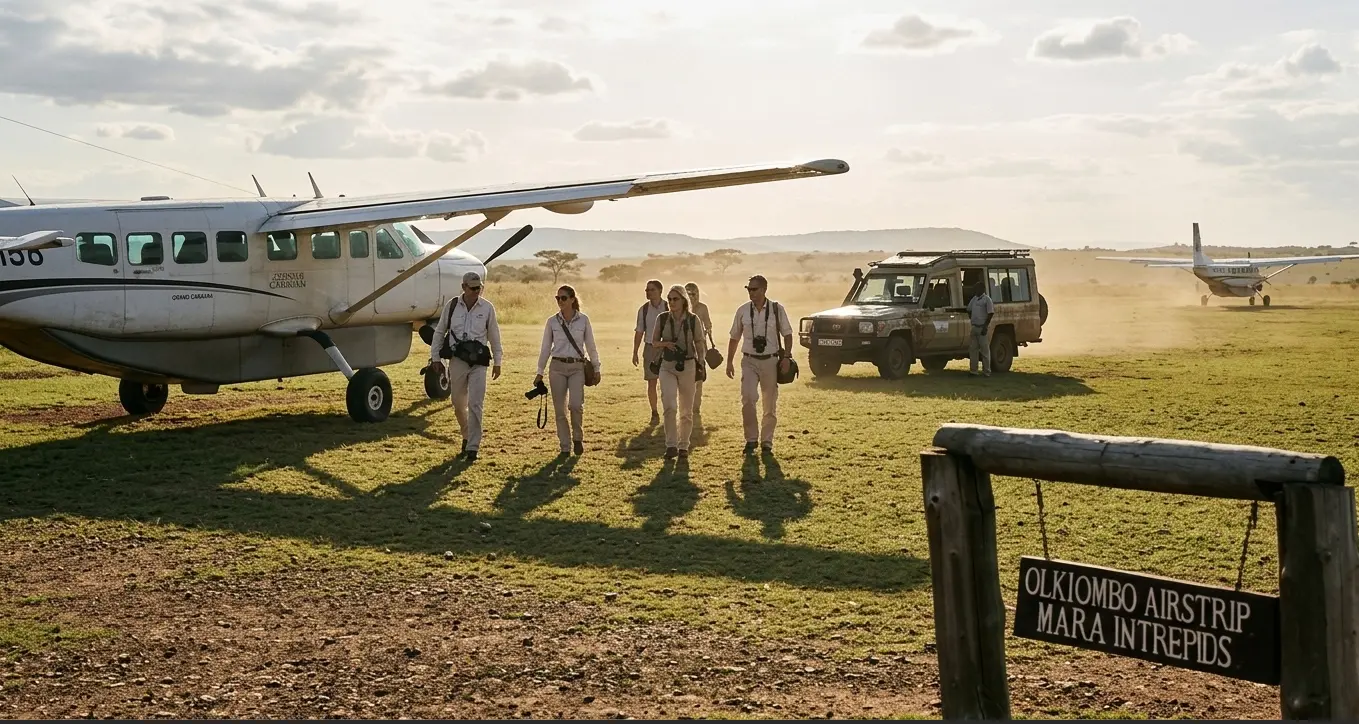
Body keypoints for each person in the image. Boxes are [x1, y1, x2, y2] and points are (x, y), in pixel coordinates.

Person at [429, 271, 502, 462]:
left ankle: (472, 447)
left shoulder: (487, 308)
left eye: (479, 288)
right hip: (457, 360)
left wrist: (498, 361)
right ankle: (466, 434)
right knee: (458, 403)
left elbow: (494, 335)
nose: (477, 291)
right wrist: (435, 357)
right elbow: (439, 332)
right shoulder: (452, 306)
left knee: (476, 403)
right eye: (473, 288)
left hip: (479, 362)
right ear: (464, 287)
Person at [726, 274, 793, 455]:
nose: (751, 293)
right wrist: (729, 361)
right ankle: (751, 439)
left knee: (769, 402)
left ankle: (767, 441)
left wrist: (786, 357)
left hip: (771, 360)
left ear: (764, 290)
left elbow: (787, 334)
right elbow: (734, 337)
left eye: (754, 289)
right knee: (748, 398)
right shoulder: (742, 310)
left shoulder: (777, 309)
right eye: (748, 289)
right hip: (748, 360)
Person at [535, 285, 600, 456]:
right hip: (557, 366)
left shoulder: (583, 320)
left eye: (563, 298)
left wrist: (596, 367)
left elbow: (591, 345)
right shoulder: (552, 321)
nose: (560, 302)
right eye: (557, 298)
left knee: (575, 405)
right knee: (559, 410)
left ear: (572, 299)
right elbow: (545, 348)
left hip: (577, 366)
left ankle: (577, 437)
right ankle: (565, 446)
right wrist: (539, 371)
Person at [652, 284, 706, 459]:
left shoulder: (693, 319)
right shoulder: (662, 318)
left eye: (675, 299)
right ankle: (671, 445)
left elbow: (699, 342)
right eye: (669, 299)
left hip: (688, 365)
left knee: (686, 410)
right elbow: (654, 342)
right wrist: (665, 344)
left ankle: (684, 445)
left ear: (684, 301)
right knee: (669, 405)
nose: (671, 302)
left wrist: (701, 362)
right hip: (667, 365)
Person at [631, 279, 667, 424]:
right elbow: (640, 331)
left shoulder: (668, 306)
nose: (648, 292)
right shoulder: (644, 309)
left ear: (660, 291)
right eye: (647, 290)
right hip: (650, 347)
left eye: (652, 290)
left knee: (668, 381)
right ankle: (654, 412)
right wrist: (635, 351)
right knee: (651, 382)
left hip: (666, 347)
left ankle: (669, 410)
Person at [684, 281, 714, 419]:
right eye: (688, 293)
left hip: (700, 346)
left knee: (699, 378)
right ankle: (686, 405)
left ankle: (696, 407)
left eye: (693, 293)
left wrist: (705, 333)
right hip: (684, 347)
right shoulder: (680, 308)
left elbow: (708, 325)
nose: (691, 296)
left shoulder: (702, 308)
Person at [967, 281, 995, 376]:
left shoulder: (987, 299)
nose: (975, 290)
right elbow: (969, 310)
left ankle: (987, 371)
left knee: (984, 351)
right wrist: (972, 318)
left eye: (977, 289)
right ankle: (973, 371)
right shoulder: (974, 299)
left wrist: (985, 326)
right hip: (974, 327)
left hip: (982, 327)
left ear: (982, 289)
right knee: (973, 350)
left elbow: (990, 313)